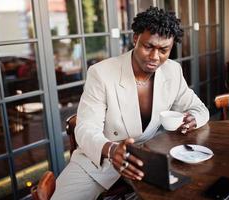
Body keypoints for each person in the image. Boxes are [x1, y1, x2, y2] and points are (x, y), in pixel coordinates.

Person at [51, 7, 209, 200]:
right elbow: (85, 128)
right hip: (98, 161)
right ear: (135, 39)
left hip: (148, 159)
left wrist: (193, 119)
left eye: (164, 50)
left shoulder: (173, 71)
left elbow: (199, 109)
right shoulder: (101, 73)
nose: (155, 57)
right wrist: (111, 149)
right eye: (148, 46)